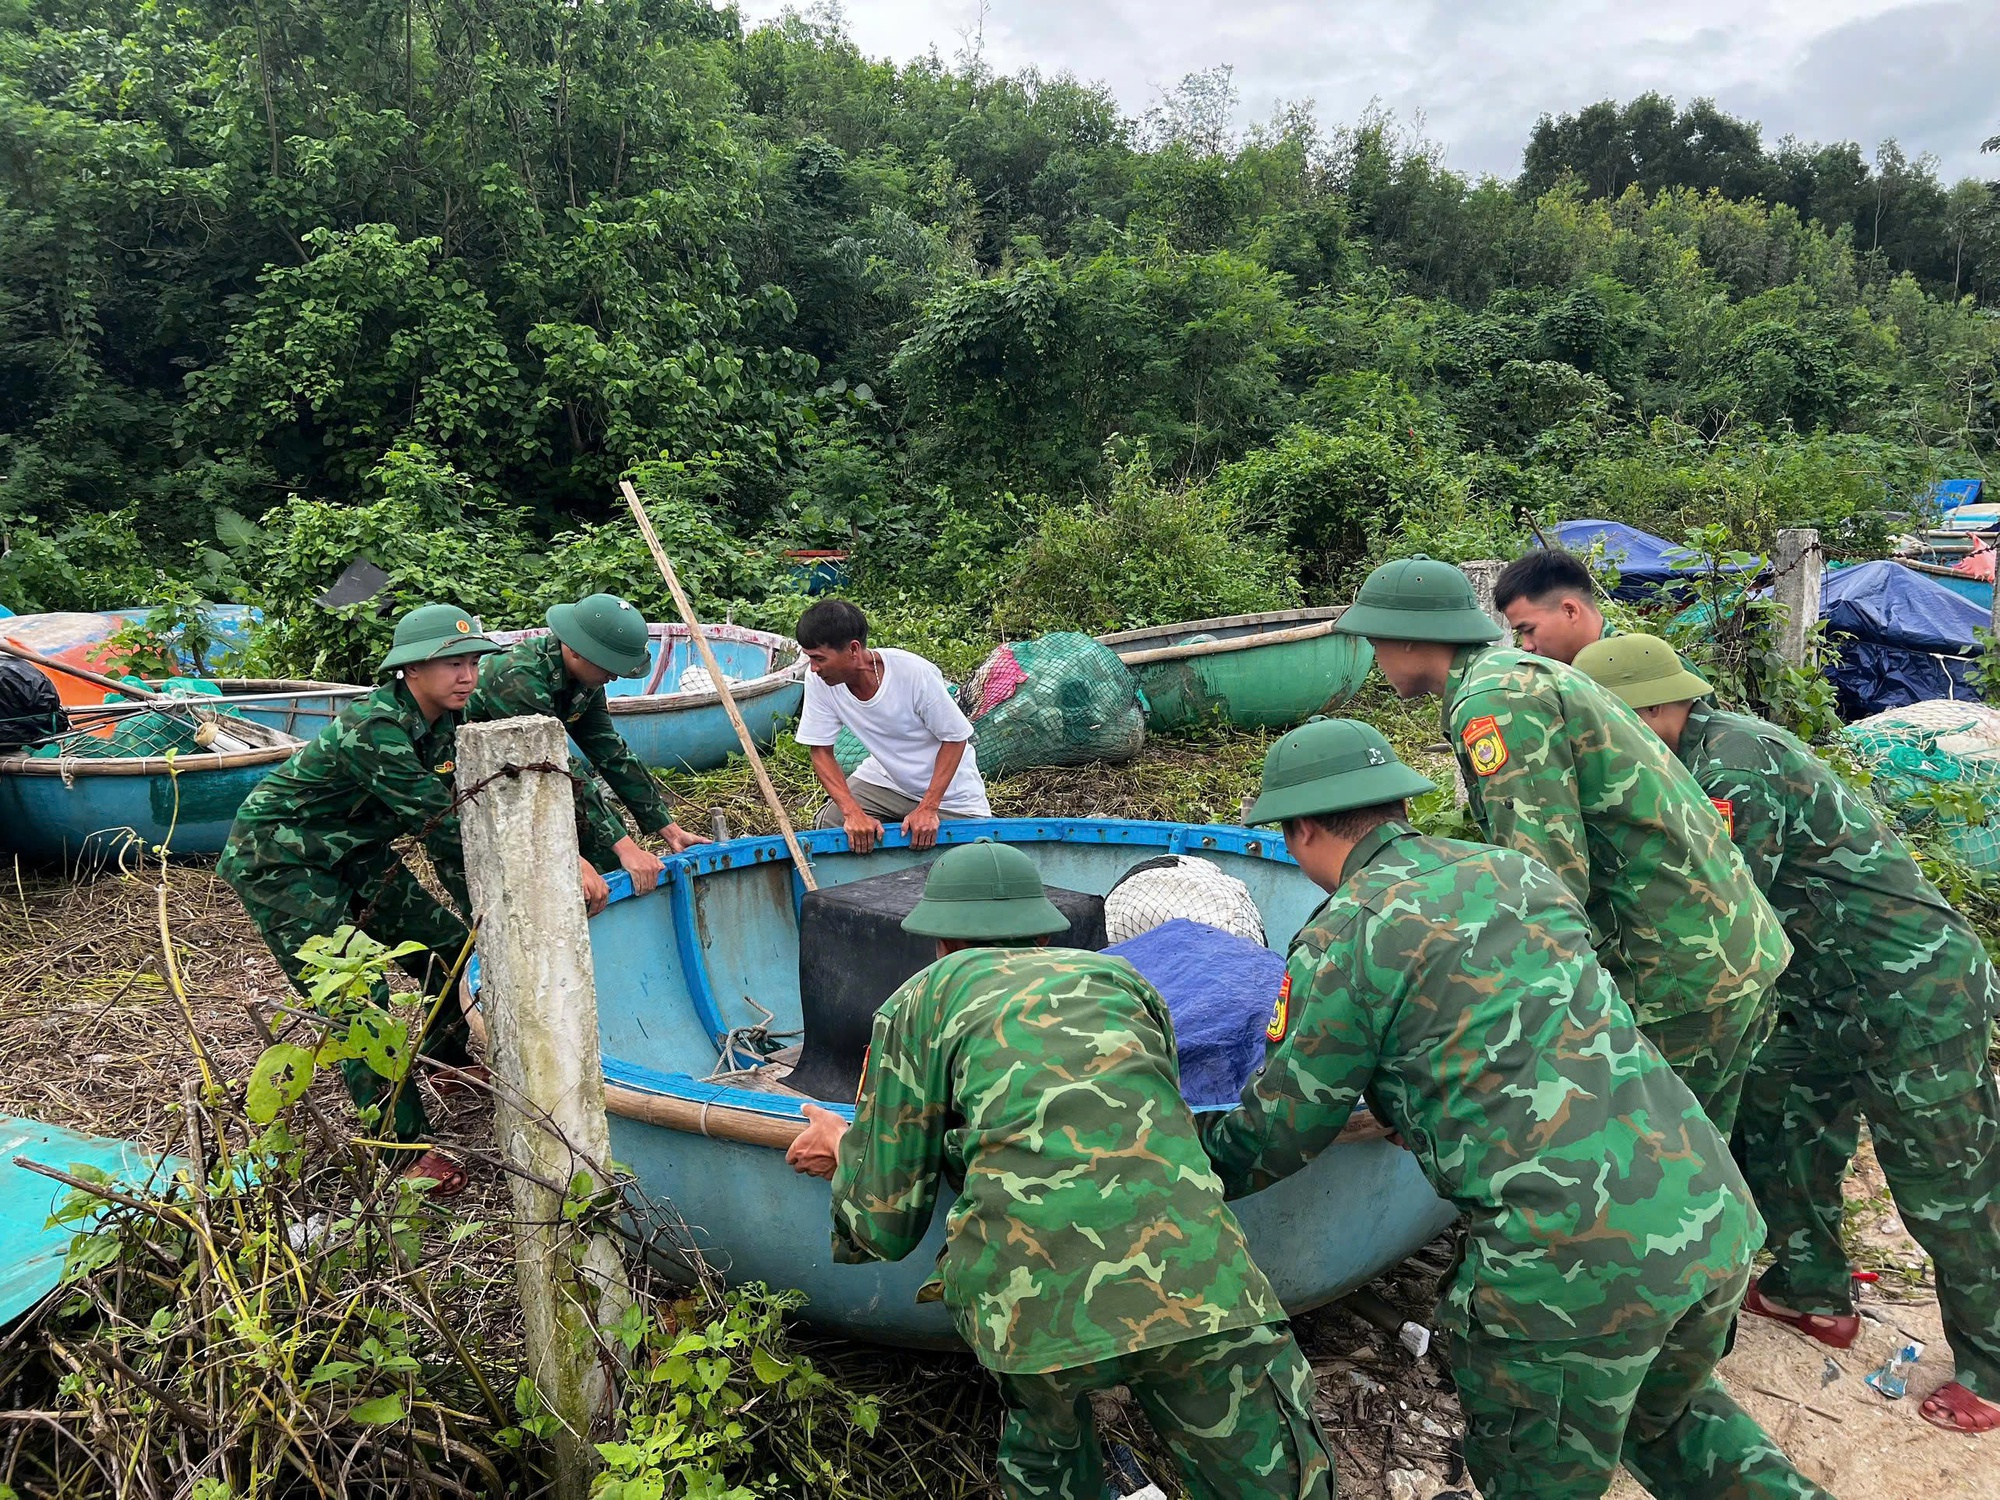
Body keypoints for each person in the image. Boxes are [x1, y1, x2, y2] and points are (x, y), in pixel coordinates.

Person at [1198, 717, 1829, 1500]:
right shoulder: (1516, 873)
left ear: (1301, 830)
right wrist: (1407, 1106)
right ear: (1397, 805)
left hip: (1571, 1273)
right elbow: (1525, 1028)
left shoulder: (1347, 934)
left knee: (1532, 1475)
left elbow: (1278, 1131)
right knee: (1667, 1422)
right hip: (1708, 1215)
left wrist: (1175, 1166)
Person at [784, 841, 1332, 1500]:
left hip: (1031, 1314)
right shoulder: (1124, 981)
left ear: (938, 943)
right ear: (1048, 932)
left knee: (1050, 1462)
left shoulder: (921, 999)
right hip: (1205, 1287)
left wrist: (845, 1147)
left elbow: (885, 1225)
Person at [1574, 632, 2000, 1437]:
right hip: (1817, 995)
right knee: (1778, 1122)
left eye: (1610, 725)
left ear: (1656, 708)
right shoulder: (1678, 762)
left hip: (1912, 992)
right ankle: (1812, 1289)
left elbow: (1716, 906)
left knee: (1949, 1186)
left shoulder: (1732, 768)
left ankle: (1992, 1363)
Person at [1333, 556, 1790, 1132]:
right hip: (1718, 952)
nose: (1375, 661)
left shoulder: (1495, 699)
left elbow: (1543, 877)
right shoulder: (1520, 677)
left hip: (1674, 974)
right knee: (1702, 1157)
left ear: (1405, 638)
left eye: (1374, 643)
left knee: (1643, 1159)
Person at [218, 604, 503, 1194]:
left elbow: (460, 818)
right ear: (410, 670)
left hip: (354, 849)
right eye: (452, 663)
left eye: (474, 661)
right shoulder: (376, 727)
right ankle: (402, 1147)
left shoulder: (448, 721)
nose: (468, 675)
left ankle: (446, 1061)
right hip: (281, 857)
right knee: (356, 996)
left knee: (448, 949)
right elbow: (445, 823)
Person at [466, 592, 708, 915]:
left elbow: (611, 752)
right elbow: (558, 766)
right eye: (610, 666)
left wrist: (669, 829)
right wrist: (625, 848)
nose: (616, 676)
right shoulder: (518, 677)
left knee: (605, 838)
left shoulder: (587, 680)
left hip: (530, 772)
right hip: (478, 787)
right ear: (576, 650)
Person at [793, 599, 990, 852]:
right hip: (886, 781)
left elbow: (955, 738)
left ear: (853, 649)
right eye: (809, 658)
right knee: (832, 824)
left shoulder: (913, 673)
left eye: (819, 658)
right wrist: (853, 813)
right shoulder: (820, 680)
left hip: (950, 795)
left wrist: (928, 808)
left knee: (973, 850)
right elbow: (821, 751)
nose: (813, 668)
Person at [1493, 547, 1608, 663]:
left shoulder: (1616, 668)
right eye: (1520, 633)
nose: (1526, 646)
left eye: (1529, 630)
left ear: (1570, 611)